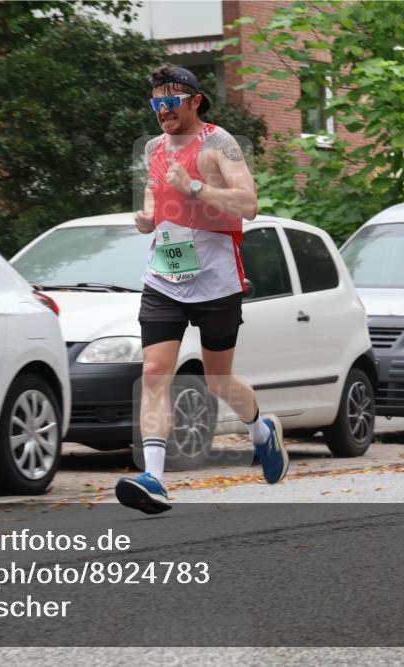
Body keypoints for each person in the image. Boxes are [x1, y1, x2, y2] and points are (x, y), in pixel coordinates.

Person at [115, 65, 288, 515]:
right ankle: (153, 477)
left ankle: (262, 431)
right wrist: (148, 218)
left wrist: (193, 185)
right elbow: (156, 200)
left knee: (217, 380)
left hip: (216, 281)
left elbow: (248, 205)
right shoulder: (154, 149)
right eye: (156, 102)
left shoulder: (218, 143)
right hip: (164, 278)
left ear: (195, 101)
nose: (163, 111)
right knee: (154, 371)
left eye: (171, 102)